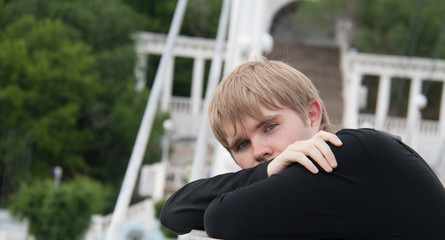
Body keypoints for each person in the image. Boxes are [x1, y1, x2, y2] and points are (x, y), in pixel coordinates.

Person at [160, 60, 445, 240]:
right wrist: (269, 169)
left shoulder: (351, 155)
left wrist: (264, 174)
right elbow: (174, 211)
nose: (259, 150)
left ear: (312, 116)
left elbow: (222, 219)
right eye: (242, 145)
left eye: (269, 127)